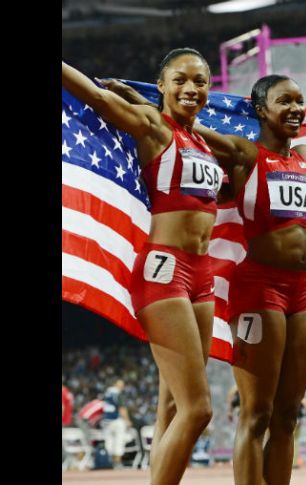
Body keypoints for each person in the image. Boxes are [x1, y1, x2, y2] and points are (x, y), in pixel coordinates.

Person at [100, 73, 306, 485]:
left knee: (287, 416)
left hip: (304, 293)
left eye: (300, 101)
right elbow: (189, 126)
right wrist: (143, 100)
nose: (296, 109)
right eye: (285, 101)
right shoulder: (246, 153)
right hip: (258, 290)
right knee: (258, 414)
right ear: (261, 110)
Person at [63, 47, 226, 485]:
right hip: (165, 270)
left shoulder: (206, 143)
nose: (192, 88)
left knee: (172, 406)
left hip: (203, 276)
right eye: (181, 80)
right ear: (161, 87)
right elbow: (98, 101)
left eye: (201, 81)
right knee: (199, 409)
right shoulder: (155, 128)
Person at [101, 379, 131, 468]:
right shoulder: (117, 393)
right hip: (116, 421)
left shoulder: (106, 393)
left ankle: (109, 462)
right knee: (119, 440)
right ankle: (117, 462)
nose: (122, 387)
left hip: (106, 421)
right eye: (121, 385)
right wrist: (127, 420)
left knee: (109, 442)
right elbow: (122, 408)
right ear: (116, 385)